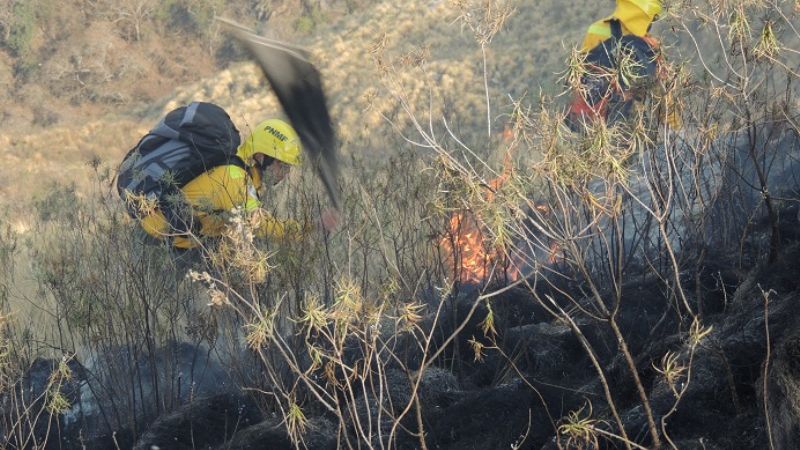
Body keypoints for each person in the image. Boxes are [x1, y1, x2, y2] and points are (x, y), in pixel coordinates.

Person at [119, 103, 339, 250]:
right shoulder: (234, 179)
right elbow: (263, 225)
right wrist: (313, 228)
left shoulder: (240, 175)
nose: (285, 174)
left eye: (288, 168)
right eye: (282, 165)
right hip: (157, 245)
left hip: (170, 241)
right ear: (261, 156)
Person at [566, 0, 666, 129]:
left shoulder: (596, 31)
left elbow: (579, 78)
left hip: (596, 123)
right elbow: (663, 92)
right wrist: (674, 129)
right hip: (636, 127)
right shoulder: (651, 45)